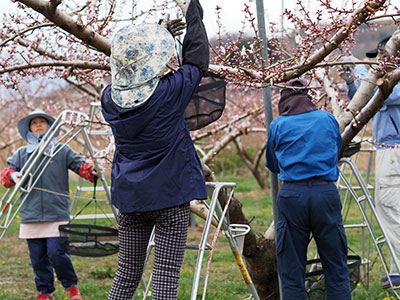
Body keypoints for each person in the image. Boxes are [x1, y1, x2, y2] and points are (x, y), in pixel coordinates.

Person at [100, 0, 209, 299]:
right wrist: (193, 13)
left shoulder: (109, 99)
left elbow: (135, 74)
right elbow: (197, 63)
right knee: (165, 276)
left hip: (131, 199)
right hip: (169, 197)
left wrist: (157, 36)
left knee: (125, 276)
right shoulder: (168, 93)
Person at [265, 78, 351, 300]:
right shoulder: (327, 119)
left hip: (293, 195)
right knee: (336, 267)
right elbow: (336, 150)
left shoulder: (278, 125)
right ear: (308, 97)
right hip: (325, 193)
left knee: (292, 272)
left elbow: (273, 165)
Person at [1, 109, 95, 300]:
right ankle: (45, 292)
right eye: (33, 122)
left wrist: (94, 169)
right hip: (31, 214)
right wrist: (13, 175)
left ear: (50, 126)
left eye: (42, 121)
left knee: (57, 253)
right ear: (29, 129)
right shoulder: (21, 153)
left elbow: (81, 167)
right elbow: (6, 177)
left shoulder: (61, 150)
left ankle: (71, 288)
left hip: (56, 212)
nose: (37, 125)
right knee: (38, 258)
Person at [340, 35, 400, 289]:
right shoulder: (384, 81)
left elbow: (385, 95)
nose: (380, 64)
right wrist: (352, 82)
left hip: (395, 152)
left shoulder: (393, 82)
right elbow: (368, 100)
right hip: (390, 150)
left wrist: (362, 73)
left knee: (389, 206)